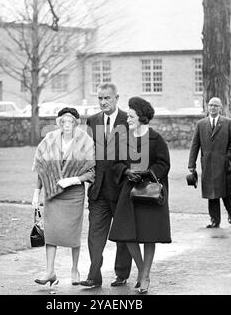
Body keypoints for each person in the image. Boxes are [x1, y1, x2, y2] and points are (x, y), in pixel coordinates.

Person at [108, 96, 171, 294]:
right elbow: (114, 163)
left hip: (150, 192)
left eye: (131, 116)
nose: (127, 119)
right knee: (126, 235)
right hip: (129, 191)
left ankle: (144, 276)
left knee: (149, 236)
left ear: (141, 117)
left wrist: (147, 173)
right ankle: (143, 269)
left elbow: (163, 164)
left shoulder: (156, 139)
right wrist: (126, 172)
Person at [31, 107, 95, 286]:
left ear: (76, 123)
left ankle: (75, 269)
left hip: (73, 194)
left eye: (70, 122)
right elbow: (42, 169)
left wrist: (74, 180)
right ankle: (50, 271)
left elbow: (91, 172)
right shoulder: (50, 139)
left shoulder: (85, 141)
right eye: (63, 122)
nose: (66, 125)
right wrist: (37, 192)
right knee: (51, 233)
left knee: (73, 233)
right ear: (59, 123)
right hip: (52, 192)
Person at [80, 83, 132, 288]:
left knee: (122, 235)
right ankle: (94, 275)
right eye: (100, 98)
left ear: (116, 98)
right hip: (98, 189)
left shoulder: (128, 120)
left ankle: (121, 274)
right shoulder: (92, 121)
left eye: (107, 98)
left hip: (121, 188)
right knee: (95, 234)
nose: (103, 102)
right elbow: (88, 153)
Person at [188, 97, 231, 228]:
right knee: (212, 195)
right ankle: (214, 220)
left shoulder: (227, 123)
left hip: (224, 165)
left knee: (226, 193)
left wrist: (227, 157)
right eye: (210, 105)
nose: (212, 108)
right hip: (208, 165)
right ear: (207, 107)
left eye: (215, 106)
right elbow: (195, 145)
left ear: (220, 108)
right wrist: (191, 165)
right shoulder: (201, 124)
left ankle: (230, 212)